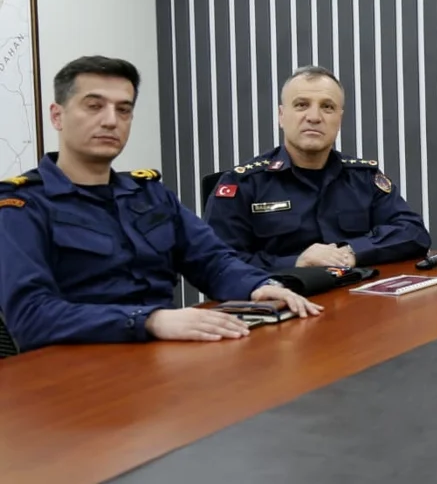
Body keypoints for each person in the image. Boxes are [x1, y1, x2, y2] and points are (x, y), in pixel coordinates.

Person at [0, 56, 321, 352]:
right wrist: (149, 320)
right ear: (57, 116)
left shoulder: (150, 194)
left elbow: (212, 261)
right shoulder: (22, 206)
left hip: (163, 355)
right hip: (78, 368)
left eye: (123, 110)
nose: (111, 121)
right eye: (94, 106)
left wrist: (259, 286)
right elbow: (31, 316)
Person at [203, 65, 432, 271]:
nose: (314, 117)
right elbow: (216, 263)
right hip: (280, 299)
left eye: (327, 107)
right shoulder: (242, 184)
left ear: (339, 119)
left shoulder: (363, 178)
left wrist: (351, 251)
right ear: (281, 116)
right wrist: (295, 263)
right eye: (301, 105)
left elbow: (413, 233)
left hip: (355, 297)